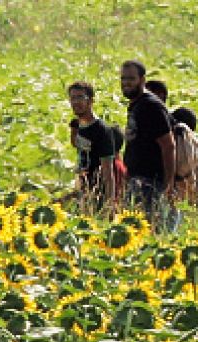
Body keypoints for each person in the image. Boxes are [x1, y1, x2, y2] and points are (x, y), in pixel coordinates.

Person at [119, 60, 177, 231]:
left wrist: (168, 184)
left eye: (131, 78)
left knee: (148, 233)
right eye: (123, 78)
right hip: (138, 181)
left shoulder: (151, 106)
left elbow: (168, 145)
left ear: (142, 80)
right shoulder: (137, 105)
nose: (126, 83)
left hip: (150, 183)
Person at [66, 81, 117, 213]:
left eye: (80, 97)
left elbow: (108, 170)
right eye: (72, 98)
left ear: (90, 101)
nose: (75, 102)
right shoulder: (80, 126)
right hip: (82, 192)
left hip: (98, 195)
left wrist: (109, 203)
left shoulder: (102, 130)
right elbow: (78, 145)